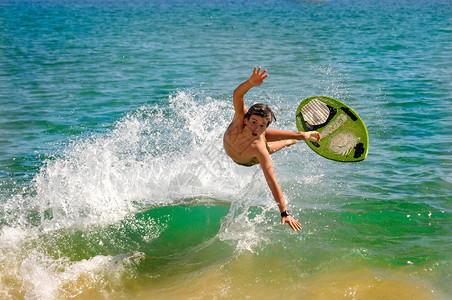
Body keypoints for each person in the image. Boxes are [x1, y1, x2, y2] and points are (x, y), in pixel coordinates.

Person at [223, 67, 321, 231]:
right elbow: (238, 95)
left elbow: (272, 180)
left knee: (267, 146)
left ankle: (294, 138)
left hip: (247, 160)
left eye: (262, 125)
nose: (256, 127)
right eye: (253, 122)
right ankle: (299, 135)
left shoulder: (259, 148)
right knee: (263, 138)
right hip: (246, 144)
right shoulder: (240, 118)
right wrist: (250, 83)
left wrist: (284, 212)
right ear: (246, 119)